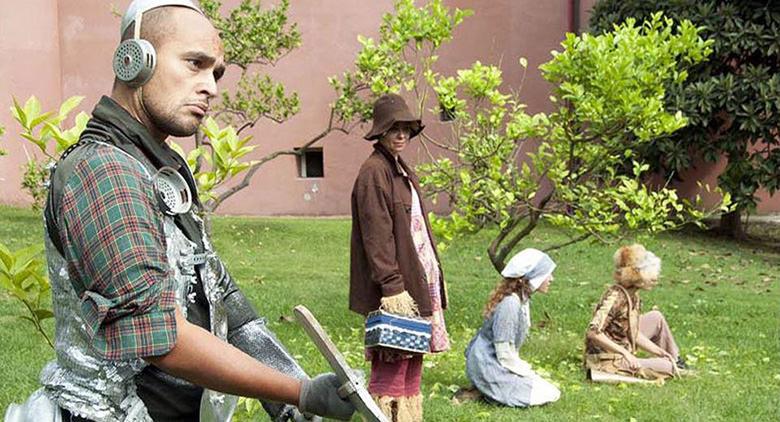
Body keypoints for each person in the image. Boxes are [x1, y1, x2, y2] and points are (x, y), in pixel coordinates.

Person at [4, 1, 355, 421]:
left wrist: (287, 397)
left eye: (216, 73)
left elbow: (218, 289)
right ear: (134, 61)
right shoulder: (103, 171)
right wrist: (299, 392)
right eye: (195, 64)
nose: (212, 87)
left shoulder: (159, 166)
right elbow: (160, 338)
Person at [349, 93, 450, 421]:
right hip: (396, 289)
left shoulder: (398, 168)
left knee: (411, 360)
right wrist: (392, 287)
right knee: (392, 363)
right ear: (380, 131)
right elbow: (376, 236)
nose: (401, 135)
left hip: (416, 281)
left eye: (406, 128)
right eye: (394, 128)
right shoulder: (373, 172)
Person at [464, 248, 561, 407]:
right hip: (488, 365)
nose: (551, 279)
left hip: (496, 363)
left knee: (550, 391)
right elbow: (504, 353)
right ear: (533, 277)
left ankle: (486, 391)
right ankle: (484, 390)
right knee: (546, 394)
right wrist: (527, 372)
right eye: (547, 274)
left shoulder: (521, 299)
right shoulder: (511, 304)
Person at [584, 244, 687, 381]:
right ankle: (670, 365)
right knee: (667, 367)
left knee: (656, 317)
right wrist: (626, 354)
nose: (655, 279)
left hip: (623, 344)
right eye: (650, 273)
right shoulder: (615, 297)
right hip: (606, 360)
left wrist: (659, 351)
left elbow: (632, 332)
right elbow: (593, 333)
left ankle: (675, 360)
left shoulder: (633, 296)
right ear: (636, 275)